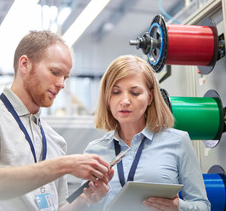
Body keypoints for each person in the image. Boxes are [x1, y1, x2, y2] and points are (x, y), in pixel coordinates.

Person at [0, 30, 113, 211]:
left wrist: (83, 199)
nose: (62, 84)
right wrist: (65, 165)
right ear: (25, 64)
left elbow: (58, 208)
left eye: (65, 77)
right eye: (55, 72)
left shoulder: (55, 140)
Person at [83, 55, 211, 211]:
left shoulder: (177, 141)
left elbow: (203, 206)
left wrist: (178, 207)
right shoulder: (94, 151)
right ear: (106, 97)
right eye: (116, 92)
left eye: (135, 93)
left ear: (150, 97)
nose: (124, 101)